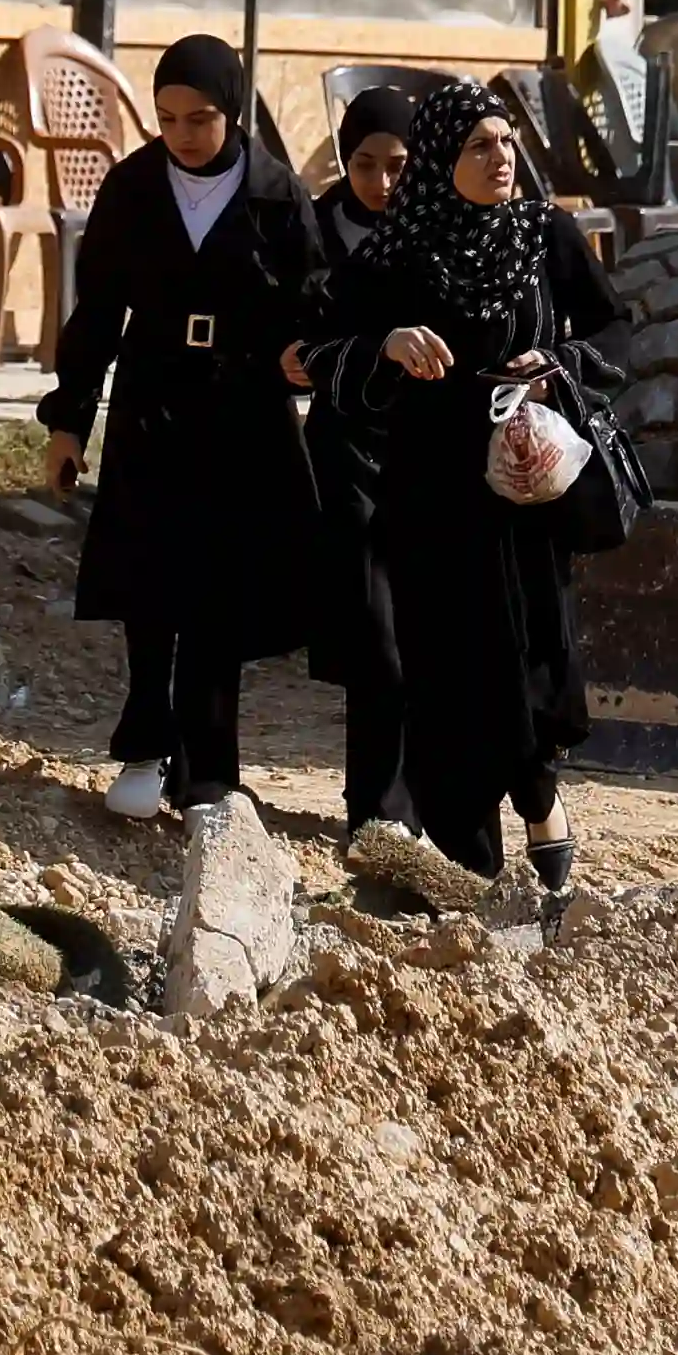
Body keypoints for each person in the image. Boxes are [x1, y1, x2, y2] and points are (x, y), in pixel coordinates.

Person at [323, 79, 622, 898]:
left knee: (524, 659)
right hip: (428, 493)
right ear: (441, 161)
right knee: (446, 671)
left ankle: (536, 793)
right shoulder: (394, 253)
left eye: (506, 142)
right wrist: (387, 342)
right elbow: (323, 356)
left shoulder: (543, 234)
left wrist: (554, 368)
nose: (501, 157)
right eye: (478, 145)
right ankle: (470, 867)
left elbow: (615, 333)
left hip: (524, 495)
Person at [36, 34, 322, 827]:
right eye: (167, 118)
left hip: (242, 404)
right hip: (154, 398)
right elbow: (95, 314)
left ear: (231, 111)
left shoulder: (276, 195)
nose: (183, 135)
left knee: (219, 590)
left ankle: (208, 772)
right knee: (150, 578)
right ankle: (145, 744)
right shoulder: (131, 190)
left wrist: (305, 356)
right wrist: (69, 422)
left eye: (200, 118)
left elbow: (315, 301)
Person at [286, 83, 425, 831]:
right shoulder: (315, 229)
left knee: (420, 635)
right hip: (345, 450)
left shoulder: (442, 230)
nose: (380, 183)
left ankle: (408, 807)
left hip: (428, 453)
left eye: (398, 166)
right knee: (376, 640)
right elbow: (288, 317)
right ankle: (372, 808)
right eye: (364, 164)